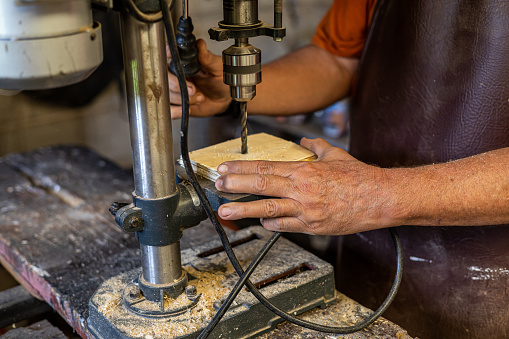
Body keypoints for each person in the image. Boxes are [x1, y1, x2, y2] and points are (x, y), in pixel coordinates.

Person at [169, 1, 509, 338]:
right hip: (370, 253)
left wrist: (378, 196)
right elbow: (337, 60)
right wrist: (233, 91)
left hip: (493, 281)